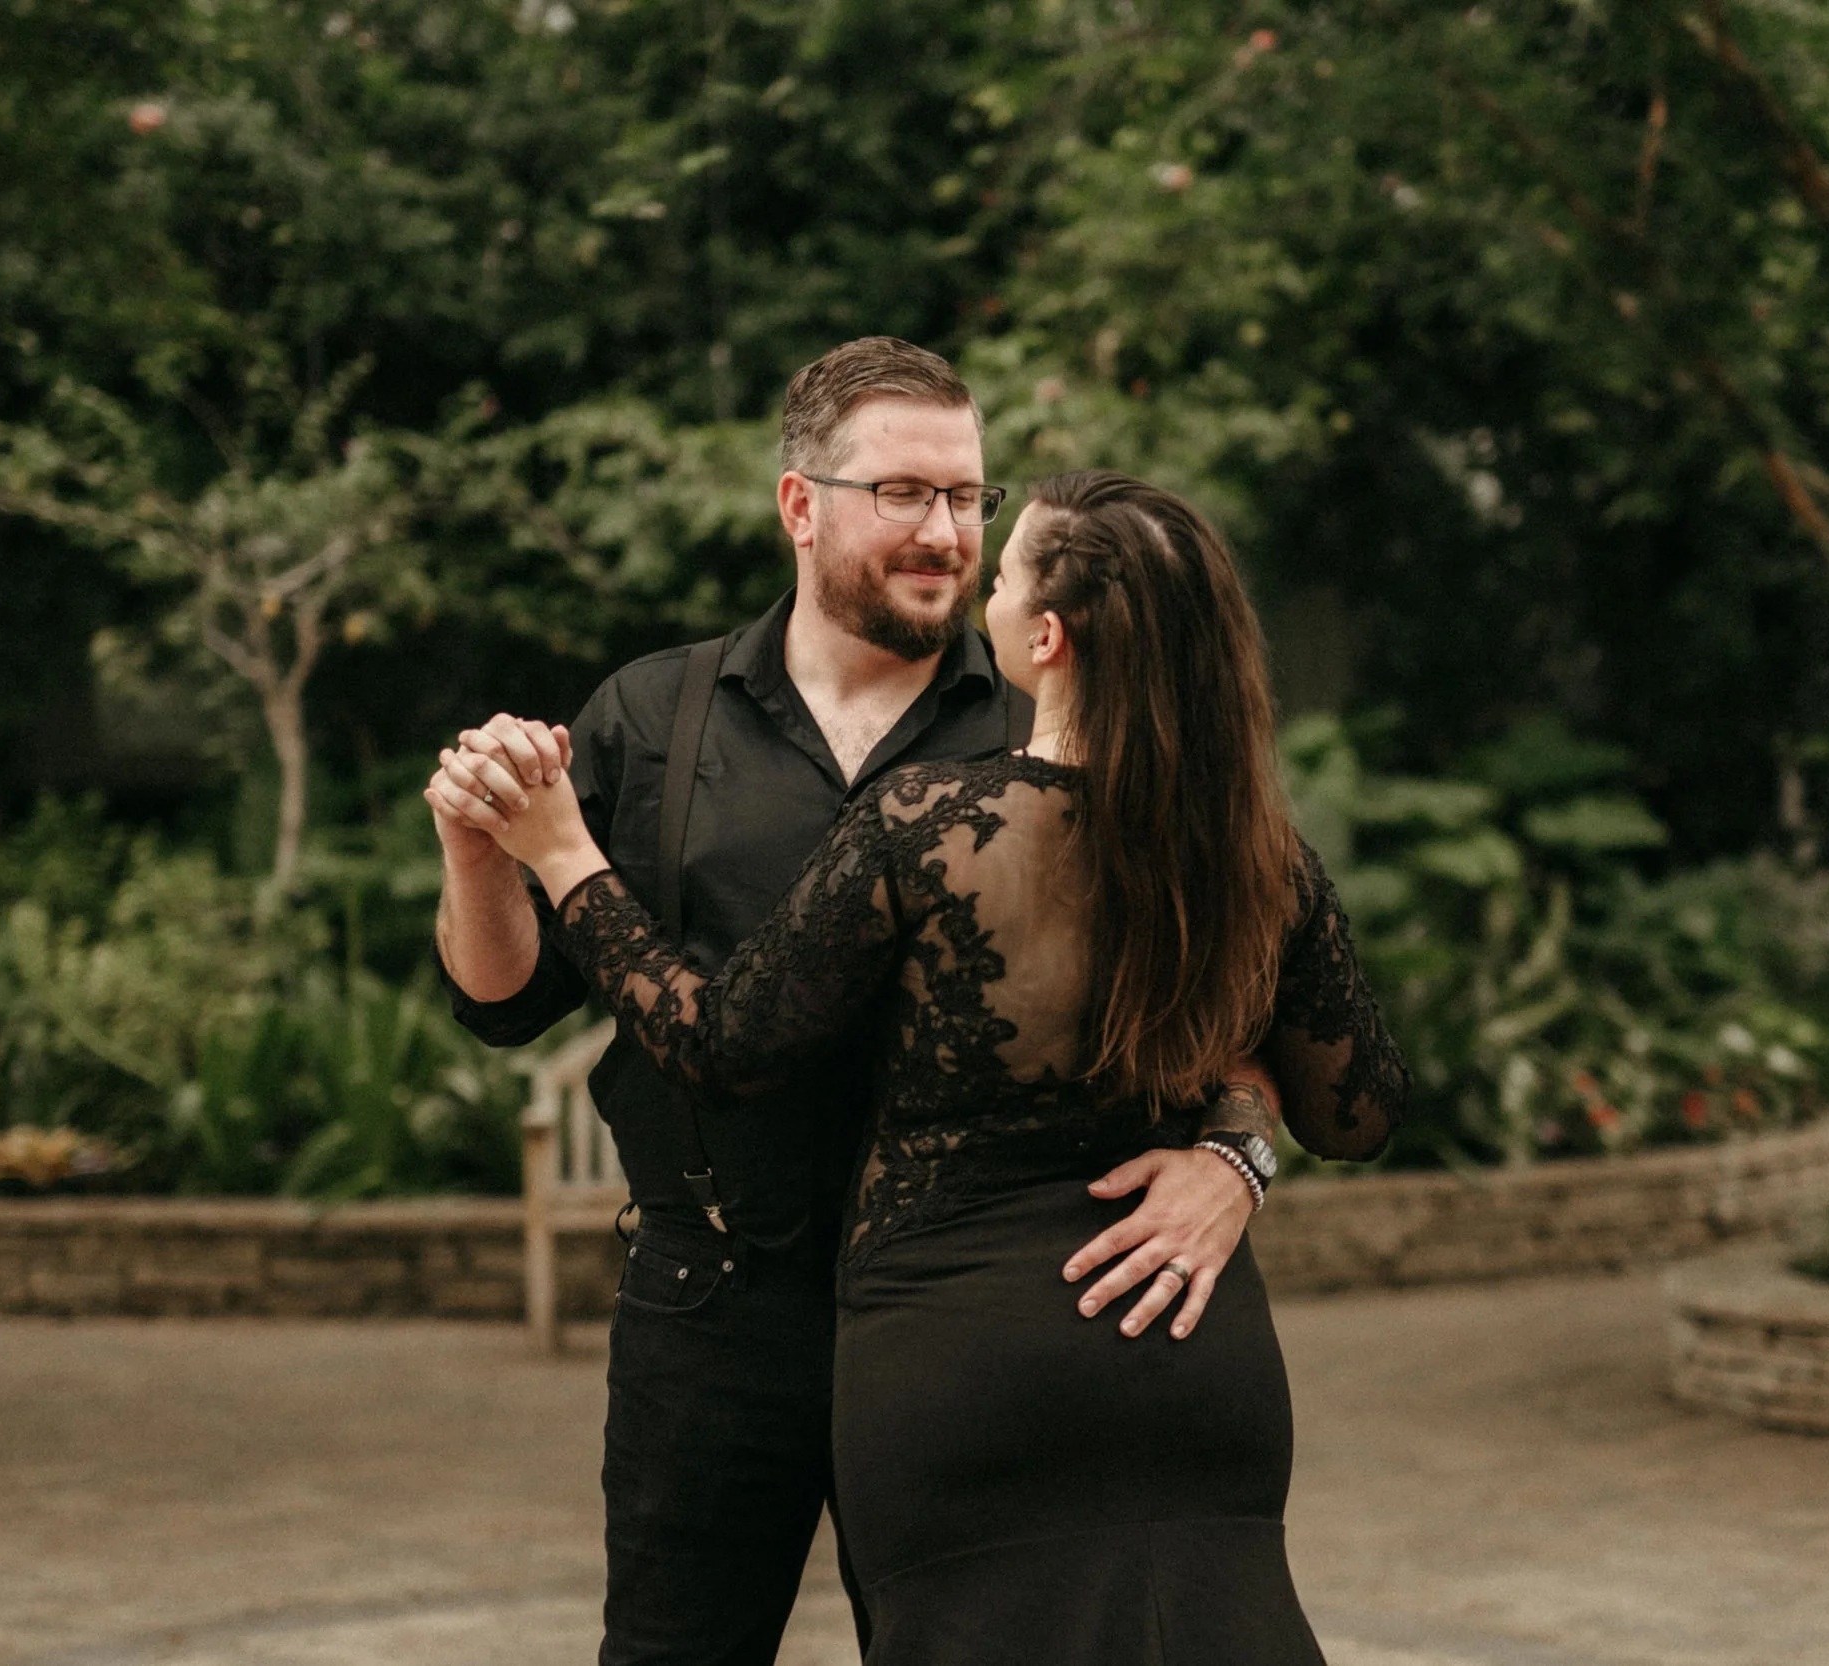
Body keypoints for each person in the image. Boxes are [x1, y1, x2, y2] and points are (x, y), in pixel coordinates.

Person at [425, 339, 1278, 1665]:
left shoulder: (1052, 718)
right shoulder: (655, 718)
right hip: (714, 1307)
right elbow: (506, 998)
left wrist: (1237, 1153)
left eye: (968, 499)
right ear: (800, 504)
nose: (944, 532)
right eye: (905, 493)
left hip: (987, 1314)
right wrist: (481, 851)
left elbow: (1226, 984)